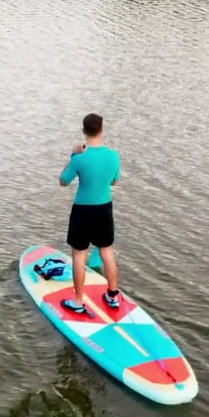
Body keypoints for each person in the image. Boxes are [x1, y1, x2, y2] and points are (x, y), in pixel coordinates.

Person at [58, 113, 122, 314]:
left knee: (79, 255)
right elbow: (114, 181)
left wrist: (72, 155)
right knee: (107, 252)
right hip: (104, 209)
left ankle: (78, 301)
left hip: (82, 211)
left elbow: (63, 181)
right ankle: (113, 296)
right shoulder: (113, 156)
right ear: (102, 130)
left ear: (84, 132)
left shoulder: (79, 158)